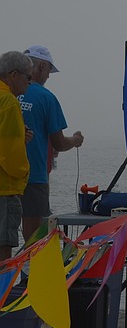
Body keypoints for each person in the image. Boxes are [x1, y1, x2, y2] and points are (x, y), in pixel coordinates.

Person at [19, 46, 84, 242]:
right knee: (34, 235)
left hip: (6, 175)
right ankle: (32, 272)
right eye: (48, 71)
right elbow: (60, 142)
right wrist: (75, 140)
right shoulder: (46, 98)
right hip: (33, 176)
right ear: (41, 66)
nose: (48, 76)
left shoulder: (7, 94)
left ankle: (9, 271)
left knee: (6, 235)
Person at [0, 51, 33, 261]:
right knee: (4, 252)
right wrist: (23, 175)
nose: (29, 83)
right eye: (27, 77)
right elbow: (9, 153)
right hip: (5, 189)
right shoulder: (10, 102)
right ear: (13, 75)